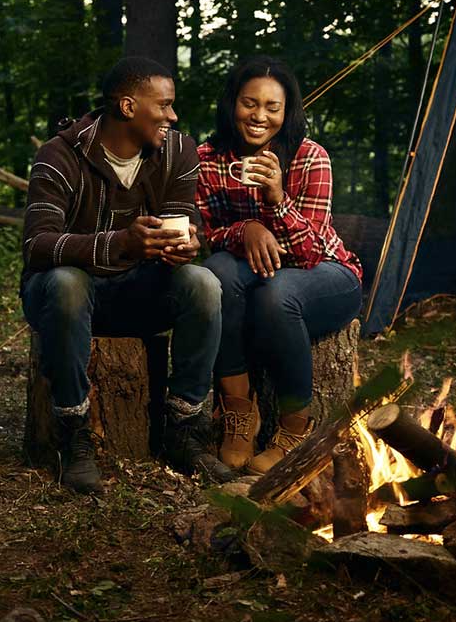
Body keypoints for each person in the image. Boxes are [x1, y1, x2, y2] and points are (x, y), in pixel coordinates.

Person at [21, 56, 233, 494]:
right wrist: (121, 242)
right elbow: (37, 245)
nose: (173, 116)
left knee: (203, 283)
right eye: (165, 106)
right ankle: (73, 434)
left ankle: (183, 428)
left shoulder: (178, 150)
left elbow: (182, 217)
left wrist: (183, 243)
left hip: (138, 291)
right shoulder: (59, 155)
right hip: (66, 300)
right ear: (128, 106)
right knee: (65, 282)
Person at [196, 56, 363, 474]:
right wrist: (245, 229)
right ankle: (238, 412)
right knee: (216, 274)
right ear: (231, 103)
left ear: (287, 112)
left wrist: (275, 198)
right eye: (249, 103)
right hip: (251, 269)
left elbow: (308, 254)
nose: (260, 116)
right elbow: (206, 236)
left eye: (273, 107)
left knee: (276, 293)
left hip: (327, 274)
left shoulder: (310, 158)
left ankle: (295, 427)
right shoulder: (208, 158)